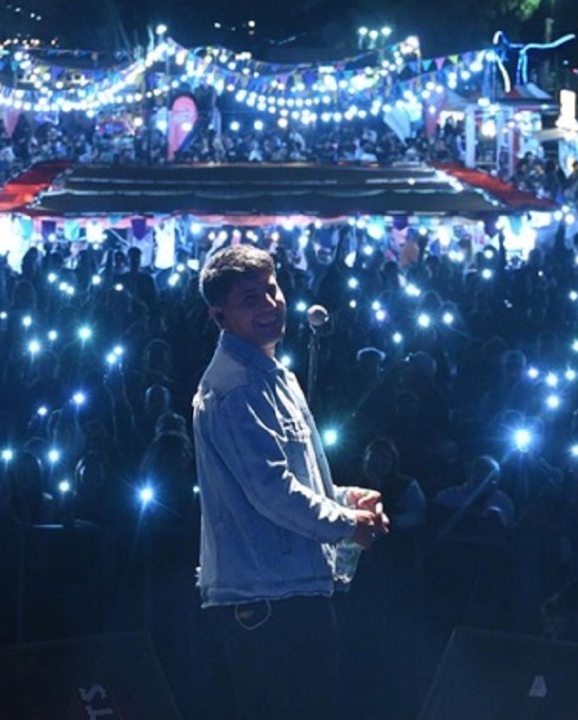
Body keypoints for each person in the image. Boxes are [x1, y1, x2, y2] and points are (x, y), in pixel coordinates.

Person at [193, 245, 389, 720]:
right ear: (219, 316)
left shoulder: (275, 378)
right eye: (250, 299)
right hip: (265, 599)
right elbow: (271, 492)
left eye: (271, 289)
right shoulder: (237, 388)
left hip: (286, 590)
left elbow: (282, 484)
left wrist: (343, 498)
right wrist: (348, 523)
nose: (269, 305)